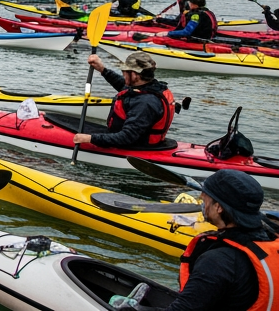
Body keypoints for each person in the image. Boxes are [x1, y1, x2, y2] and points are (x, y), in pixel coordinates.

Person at [169, 169, 277, 311]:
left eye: (204, 199)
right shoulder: (271, 241)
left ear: (218, 207)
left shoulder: (218, 261)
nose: (202, 201)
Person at [71, 52, 175, 149]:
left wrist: (90, 139)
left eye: (124, 72)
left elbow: (127, 137)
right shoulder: (151, 87)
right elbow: (123, 85)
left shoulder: (144, 103)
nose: (123, 74)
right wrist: (102, 69)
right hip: (138, 139)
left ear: (134, 75)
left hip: (136, 145)